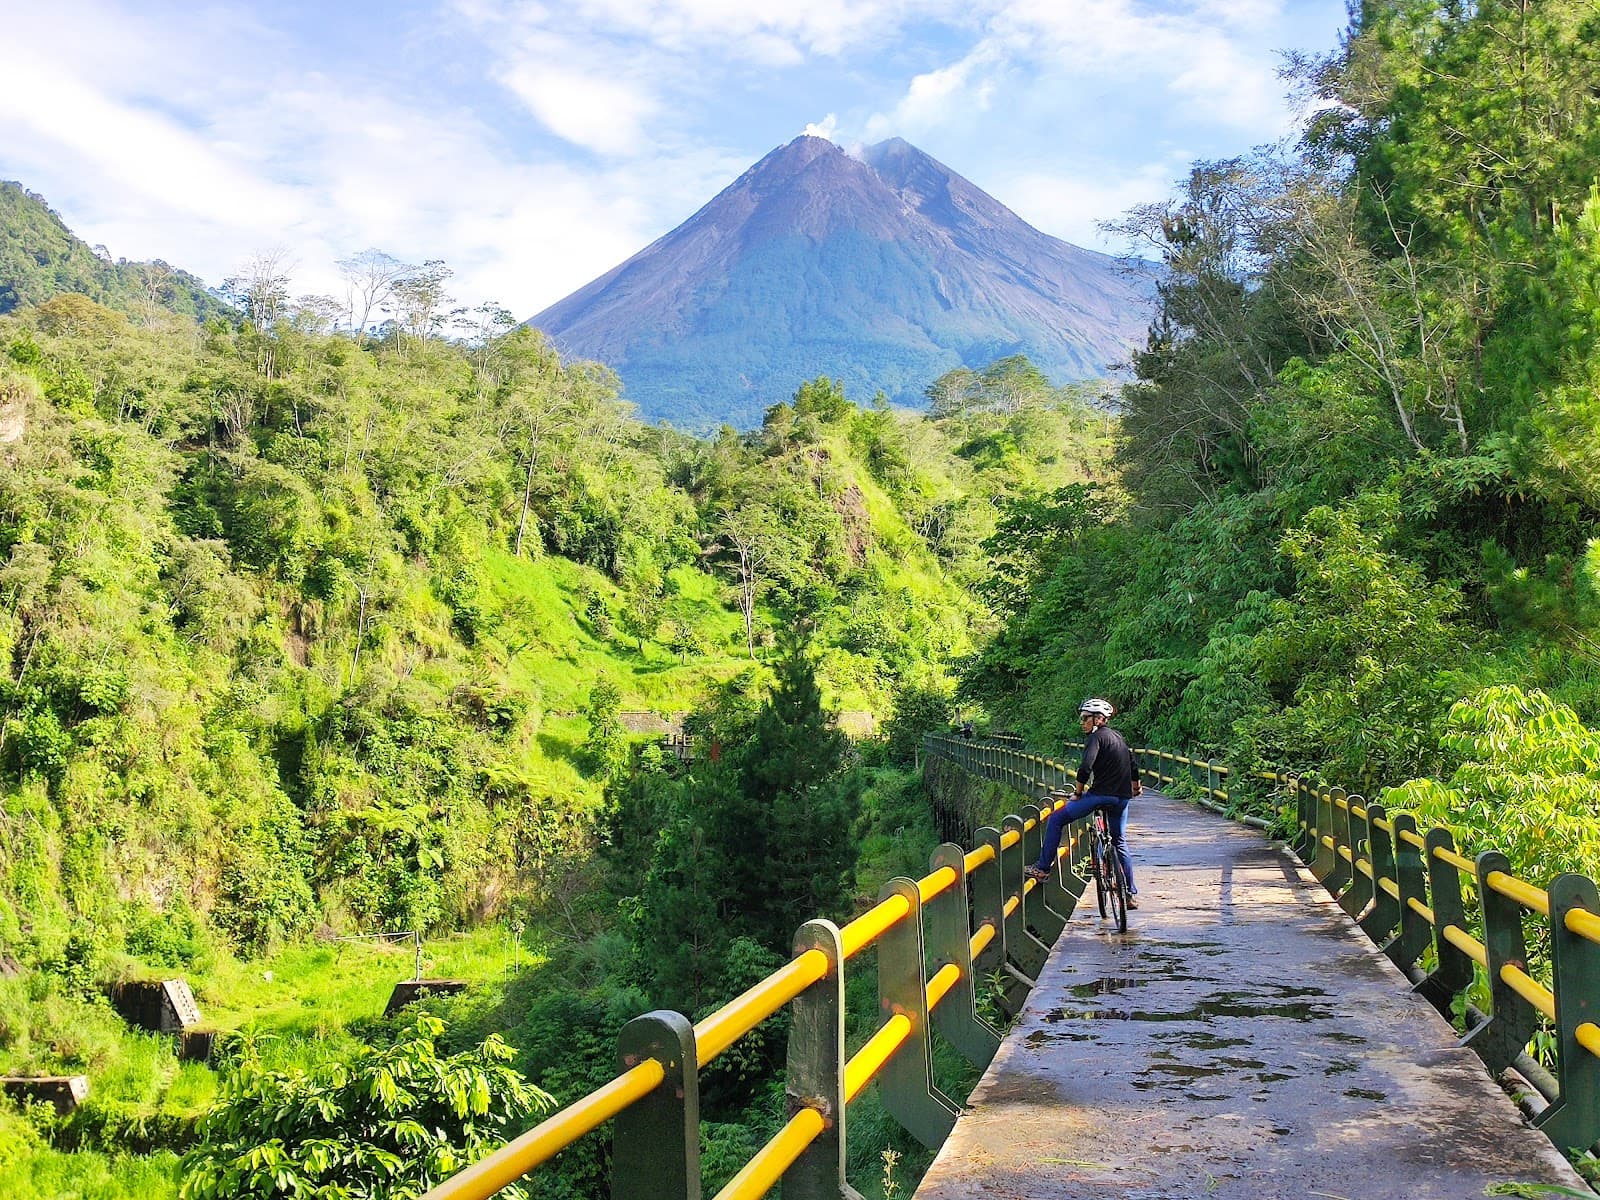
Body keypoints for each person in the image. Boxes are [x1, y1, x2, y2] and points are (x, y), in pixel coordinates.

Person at [1024, 698, 1140, 908]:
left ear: (1098, 719)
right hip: (1122, 798)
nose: (1082, 722)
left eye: (1085, 718)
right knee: (1119, 841)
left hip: (1100, 795)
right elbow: (1133, 764)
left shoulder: (1096, 738)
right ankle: (1130, 893)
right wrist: (1136, 787)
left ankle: (1042, 869)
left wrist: (1077, 792)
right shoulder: (1118, 737)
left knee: (1057, 819)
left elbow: (1086, 767)